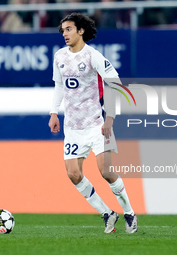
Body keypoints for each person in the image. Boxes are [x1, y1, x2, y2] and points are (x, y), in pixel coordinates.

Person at [48, 12, 137, 234]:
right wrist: (53, 113)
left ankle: (129, 212)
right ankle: (107, 213)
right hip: (72, 128)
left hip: (96, 124)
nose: (64, 34)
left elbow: (115, 84)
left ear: (81, 31)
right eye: (63, 30)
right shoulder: (59, 56)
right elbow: (59, 86)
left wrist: (110, 118)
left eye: (68, 29)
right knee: (73, 174)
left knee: (106, 171)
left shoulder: (93, 56)